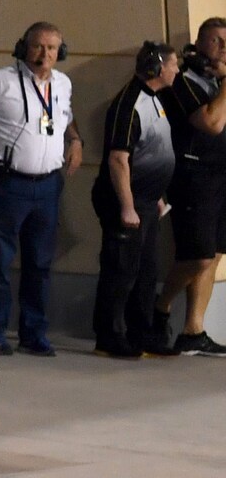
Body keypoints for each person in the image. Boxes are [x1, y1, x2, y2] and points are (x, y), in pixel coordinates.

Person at [0, 21, 82, 355]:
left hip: (48, 185)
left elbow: (65, 115)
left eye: (52, 48)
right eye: (38, 46)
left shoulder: (63, 84)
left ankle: (33, 332)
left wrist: (75, 139)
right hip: (7, 182)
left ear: (61, 51)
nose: (45, 54)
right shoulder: (0, 81)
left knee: (40, 263)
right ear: (23, 47)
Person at [92, 43, 180, 357]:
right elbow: (118, 159)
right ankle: (110, 335)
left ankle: (141, 333)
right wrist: (127, 206)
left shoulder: (154, 99)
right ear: (157, 68)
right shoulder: (129, 104)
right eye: (173, 64)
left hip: (146, 199)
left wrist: (155, 196)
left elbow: (150, 151)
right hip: (125, 201)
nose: (177, 70)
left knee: (146, 271)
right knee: (122, 270)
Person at [150, 17, 226, 356]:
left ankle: (193, 329)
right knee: (197, 256)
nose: (223, 48)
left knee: (215, 254)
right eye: (216, 41)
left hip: (223, 175)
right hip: (194, 177)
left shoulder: (217, 80)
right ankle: (160, 305)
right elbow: (211, 122)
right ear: (199, 43)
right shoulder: (183, 80)